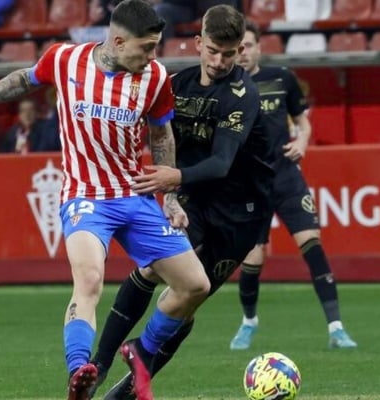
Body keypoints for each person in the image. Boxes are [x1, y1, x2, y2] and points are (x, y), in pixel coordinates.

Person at [0, 1, 211, 400]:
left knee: (196, 285)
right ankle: (80, 371)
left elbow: (161, 135)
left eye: (155, 47)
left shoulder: (156, 77)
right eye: (146, 47)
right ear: (118, 41)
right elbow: (24, 80)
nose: (153, 55)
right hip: (85, 196)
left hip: (135, 195)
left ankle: (142, 351)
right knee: (90, 279)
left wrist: (170, 198)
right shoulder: (64, 59)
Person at [88, 5, 275, 399]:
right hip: (193, 200)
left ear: (240, 51)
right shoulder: (175, 83)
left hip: (240, 213)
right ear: (198, 43)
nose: (219, 62)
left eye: (228, 54)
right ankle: (99, 366)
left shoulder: (243, 95)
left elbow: (222, 163)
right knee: (152, 270)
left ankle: (124, 390)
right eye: (213, 51)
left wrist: (173, 176)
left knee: (188, 299)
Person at [229, 20, 357, 350]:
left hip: (286, 176)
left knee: (311, 243)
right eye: (238, 47)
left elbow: (303, 122)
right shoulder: (225, 87)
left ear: (259, 48)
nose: (243, 53)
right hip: (250, 184)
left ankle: (336, 329)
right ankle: (249, 321)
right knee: (253, 260)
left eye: (248, 46)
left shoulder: (282, 78)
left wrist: (302, 141)